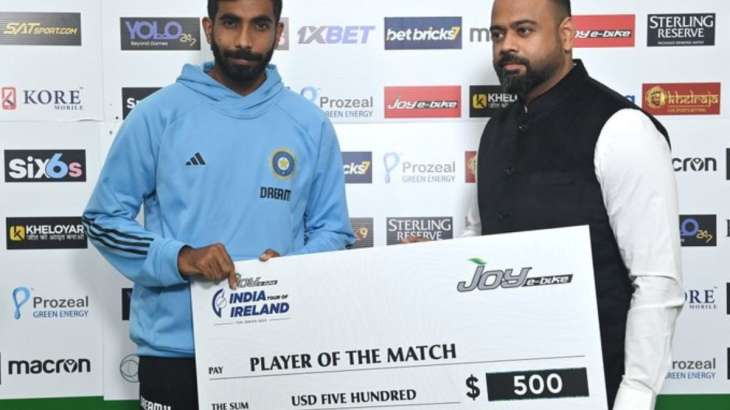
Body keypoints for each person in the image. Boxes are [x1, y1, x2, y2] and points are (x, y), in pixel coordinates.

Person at [83, 0, 354, 408]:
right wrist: (181, 258)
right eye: (231, 23)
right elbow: (103, 219)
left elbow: (334, 231)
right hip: (176, 354)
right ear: (208, 28)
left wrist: (293, 270)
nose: (244, 40)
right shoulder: (158, 115)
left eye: (260, 25)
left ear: (279, 32)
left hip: (279, 349)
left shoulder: (309, 124)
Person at [464, 0, 684, 409]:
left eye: (524, 31)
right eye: (497, 34)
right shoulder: (493, 133)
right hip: (501, 382)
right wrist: (432, 267)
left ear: (567, 35)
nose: (506, 45)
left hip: (599, 387)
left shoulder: (622, 128)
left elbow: (657, 280)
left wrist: (636, 395)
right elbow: (479, 250)